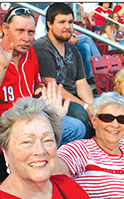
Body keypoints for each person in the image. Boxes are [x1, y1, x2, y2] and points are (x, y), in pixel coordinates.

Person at [0, 7, 85, 145]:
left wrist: (42, 94)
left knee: (77, 127)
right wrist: (2, 66)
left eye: (30, 32)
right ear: (5, 29)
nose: (26, 38)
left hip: (31, 115)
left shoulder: (29, 52)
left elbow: (37, 83)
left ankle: (51, 165)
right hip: (3, 124)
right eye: (20, 31)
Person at [33, 3, 94, 137]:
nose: (67, 27)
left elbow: (82, 83)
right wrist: (85, 107)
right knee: (82, 114)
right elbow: (52, 86)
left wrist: (91, 104)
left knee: (106, 108)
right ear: (49, 24)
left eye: (70, 22)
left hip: (75, 98)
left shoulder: (73, 49)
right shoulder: (42, 47)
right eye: (62, 22)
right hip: (55, 100)